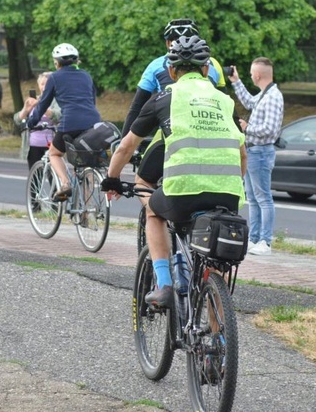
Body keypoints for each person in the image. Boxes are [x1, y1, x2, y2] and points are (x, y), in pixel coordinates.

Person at [102, 35, 246, 309]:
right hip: (228, 196)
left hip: (182, 193)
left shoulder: (164, 97)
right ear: (207, 69)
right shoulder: (224, 102)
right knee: (216, 259)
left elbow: (125, 147)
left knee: (153, 212)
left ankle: (165, 284)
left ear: (171, 71)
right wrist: (233, 185)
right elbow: (242, 154)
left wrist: (111, 179)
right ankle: (218, 340)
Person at [120, 18, 226, 199]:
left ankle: (155, 216)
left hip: (170, 132)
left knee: (142, 182)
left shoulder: (156, 65)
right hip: (212, 130)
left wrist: (124, 144)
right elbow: (224, 101)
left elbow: (136, 108)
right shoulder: (213, 64)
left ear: (168, 43)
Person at [26, 43, 102, 200]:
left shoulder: (54, 77)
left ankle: (65, 184)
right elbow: (92, 101)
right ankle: (88, 211)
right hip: (93, 122)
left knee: (54, 153)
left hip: (70, 123)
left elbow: (43, 105)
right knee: (82, 163)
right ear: (76, 61)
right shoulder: (86, 75)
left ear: (56, 62)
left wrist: (31, 122)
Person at [227, 57, 284, 256]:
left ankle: (265, 242)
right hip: (254, 151)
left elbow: (271, 130)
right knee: (252, 197)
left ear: (258, 75)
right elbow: (249, 102)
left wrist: (247, 128)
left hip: (260, 152)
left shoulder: (273, 97)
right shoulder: (264, 95)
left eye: (251, 73)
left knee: (263, 198)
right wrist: (236, 81)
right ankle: (254, 239)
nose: (251, 76)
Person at [14, 72, 61, 170]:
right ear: (38, 85)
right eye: (42, 84)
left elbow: (59, 116)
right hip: (33, 145)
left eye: (47, 84)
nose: (44, 87)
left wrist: (42, 106)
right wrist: (26, 109)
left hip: (51, 144)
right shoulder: (34, 100)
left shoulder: (57, 100)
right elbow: (18, 120)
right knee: (35, 178)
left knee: (54, 176)